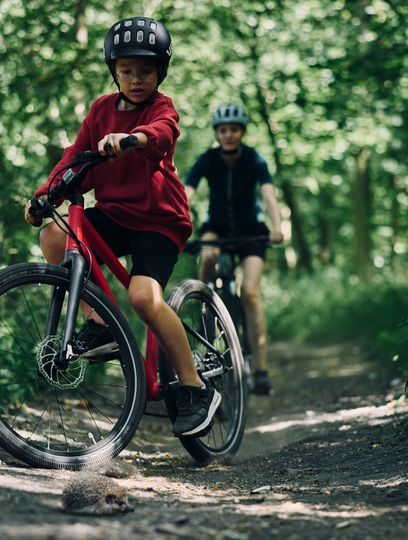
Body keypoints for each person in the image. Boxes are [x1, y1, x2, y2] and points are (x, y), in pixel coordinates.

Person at [24, 17, 220, 438]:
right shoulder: (99, 110)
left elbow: (164, 133)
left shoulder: (160, 108)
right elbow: (74, 159)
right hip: (114, 214)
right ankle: (98, 322)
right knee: (55, 234)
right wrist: (45, 196)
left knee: (143, 297)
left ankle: (194, 387)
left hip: (159, 222)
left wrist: (133, 139)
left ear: (160, 73)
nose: (135, 79)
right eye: (126, 70)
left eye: (145, 71)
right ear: (114, 71)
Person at [184, 103, 284, 395]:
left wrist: (277, 227)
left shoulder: (254, 160)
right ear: (217, 132)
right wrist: (175, 220)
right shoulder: (207, 159)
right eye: (223, 130)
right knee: (208, 254)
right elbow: (186, 194)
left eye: (234, 130)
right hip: (218, 227)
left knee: (250, 292)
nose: (229, 135)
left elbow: (269, 196)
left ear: (242, 132)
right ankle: (204, 302)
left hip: (252, 232)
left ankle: (261, 368)